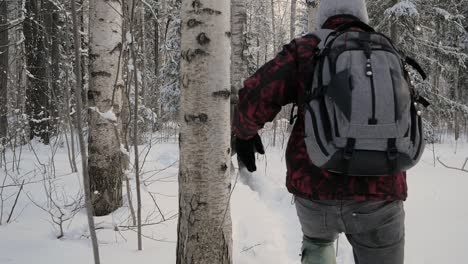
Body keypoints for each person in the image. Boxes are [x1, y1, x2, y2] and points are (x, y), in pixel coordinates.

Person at [233, 0, 406, 263]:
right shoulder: (386, 49)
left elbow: (254, 96)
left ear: (323, 16)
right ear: (363, 15)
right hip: (381, 191)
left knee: (317, 243)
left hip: (316, 186)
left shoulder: (305, 49)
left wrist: (244, 135)